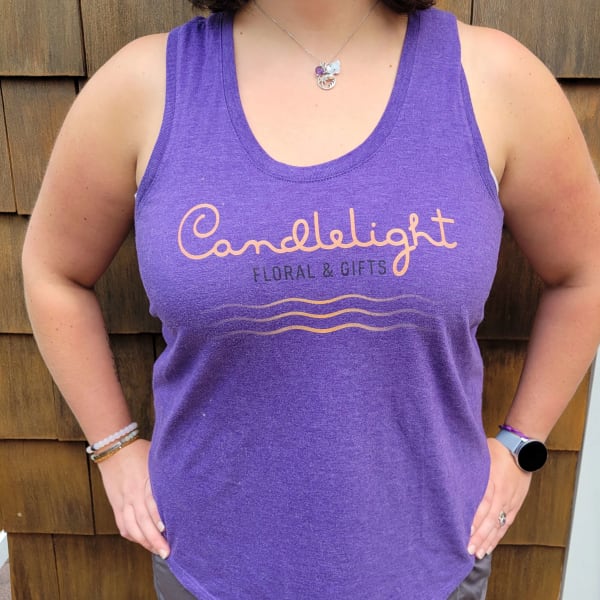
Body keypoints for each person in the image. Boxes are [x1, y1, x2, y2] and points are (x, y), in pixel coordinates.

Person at [21, 0, 600, 598]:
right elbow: (53, 271)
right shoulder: (144, 86)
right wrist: (114, 450)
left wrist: (522, 447)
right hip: (208, 568)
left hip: (433, 562)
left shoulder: (494, 80)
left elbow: (586, 272)